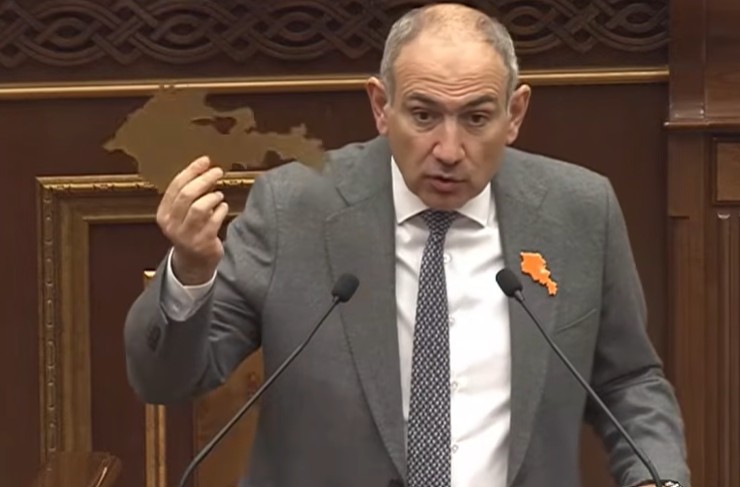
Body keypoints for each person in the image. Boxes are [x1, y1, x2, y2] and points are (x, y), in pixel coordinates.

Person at [124, 4, 690, 487]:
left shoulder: (579, 210)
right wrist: (191, 272)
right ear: (380, 107)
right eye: (424, 116)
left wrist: (657, 478)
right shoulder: (294, 208)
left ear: (514, 113)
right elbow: (165, 379)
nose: (449, 149)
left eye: (476, 118)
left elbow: (627, 381)